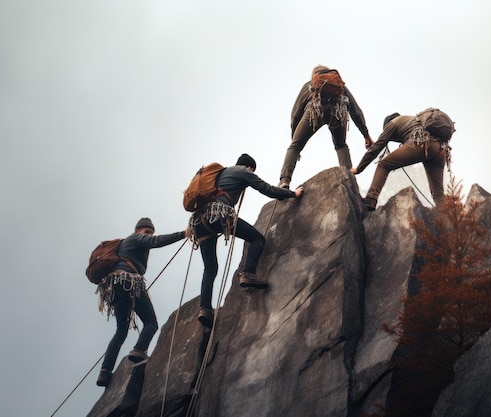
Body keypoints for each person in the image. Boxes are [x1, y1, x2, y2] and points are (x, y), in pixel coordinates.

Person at [190, 153, 304, 328]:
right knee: (257, 238)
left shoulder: (219, 175)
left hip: (199, 222)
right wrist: (292, 194)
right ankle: (248, 273)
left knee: (210, 267)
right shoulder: (243, 171)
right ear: (250, 167)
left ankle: (204, 309)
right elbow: (266, 189)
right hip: (218, 214)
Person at [96, 218, 188, 387]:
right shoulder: (135, 238)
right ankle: (139, 350)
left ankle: (105, 372)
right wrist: (184, 233)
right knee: (151, 323)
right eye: (146, 232)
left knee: (121, 331)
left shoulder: (130, 244)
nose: (148, 235)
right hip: (128, 281)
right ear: (137, 230)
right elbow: (156, 242)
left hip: (115, 287)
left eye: (150, 232)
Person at [278, 65, 373, 189]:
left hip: (315, 110)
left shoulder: (309, 85)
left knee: (294, 146)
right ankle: (350, 181)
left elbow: (295, 114)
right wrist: (366, 135)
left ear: (314, 76)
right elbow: (356, 112)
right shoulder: (339, 85)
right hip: (338, 111)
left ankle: (285, 180)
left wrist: (295, 140)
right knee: (341, 145)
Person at [350, 112, 449, 211]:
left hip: (422, 142)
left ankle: (371, 199)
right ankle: (446, 218)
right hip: (441, 149)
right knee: (438, 193)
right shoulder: (412, 121)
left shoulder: (392, 123)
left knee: (384, 165)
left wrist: (358, 169)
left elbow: (375, 149)